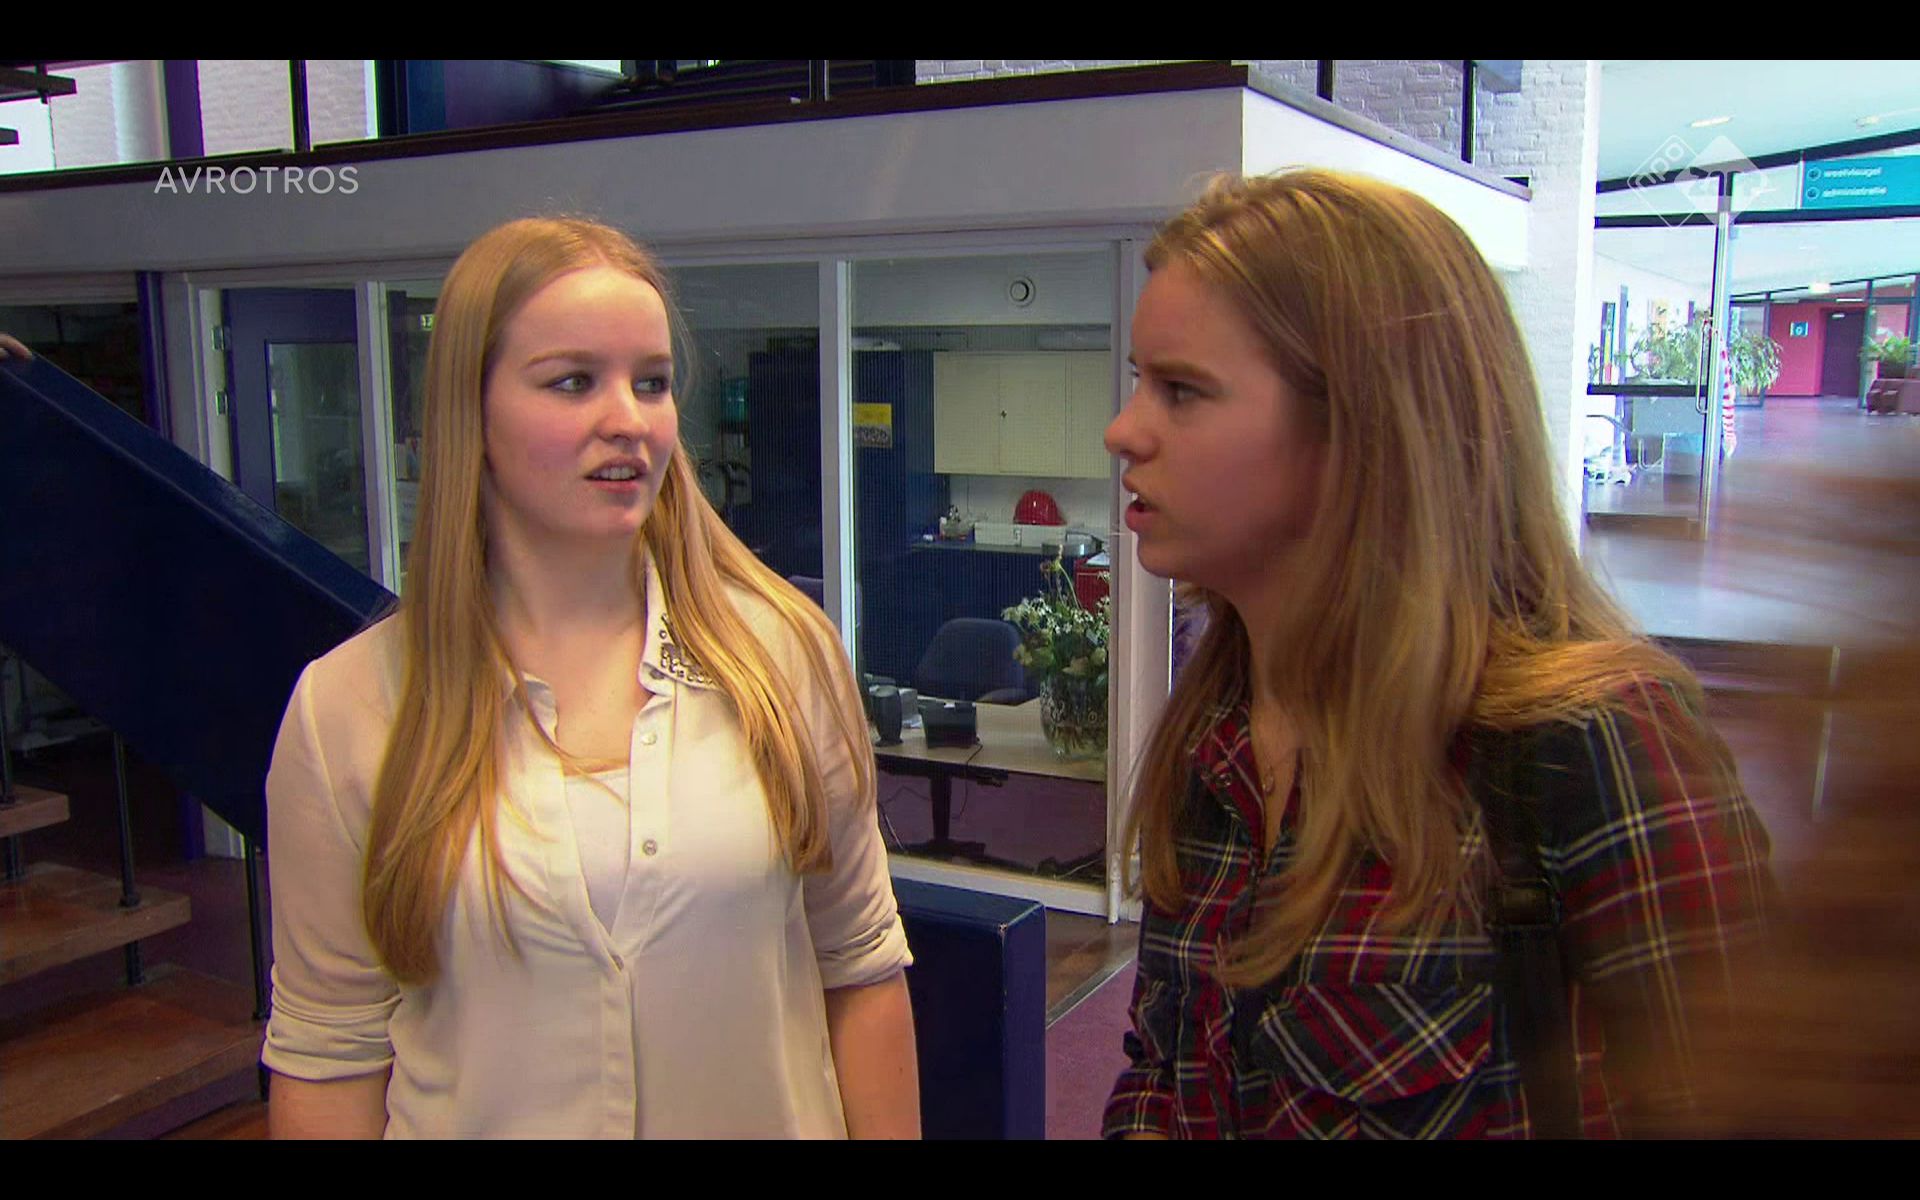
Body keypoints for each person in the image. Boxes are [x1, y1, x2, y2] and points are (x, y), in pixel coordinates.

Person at [1099, 170, 1772, 1139]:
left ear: (1362, 425)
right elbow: (1164, 1069)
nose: (1124, 430)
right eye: (1138, 381)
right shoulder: (1217, 734)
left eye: (1181, 390)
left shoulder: (1591, 741)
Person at [261, 216, 919, 1139]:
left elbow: (860, 966)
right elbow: (329, 1054)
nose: (629, 421)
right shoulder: (349, 708)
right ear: (469, 413)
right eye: (573, 381)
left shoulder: (784, 658)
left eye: (651, 382)